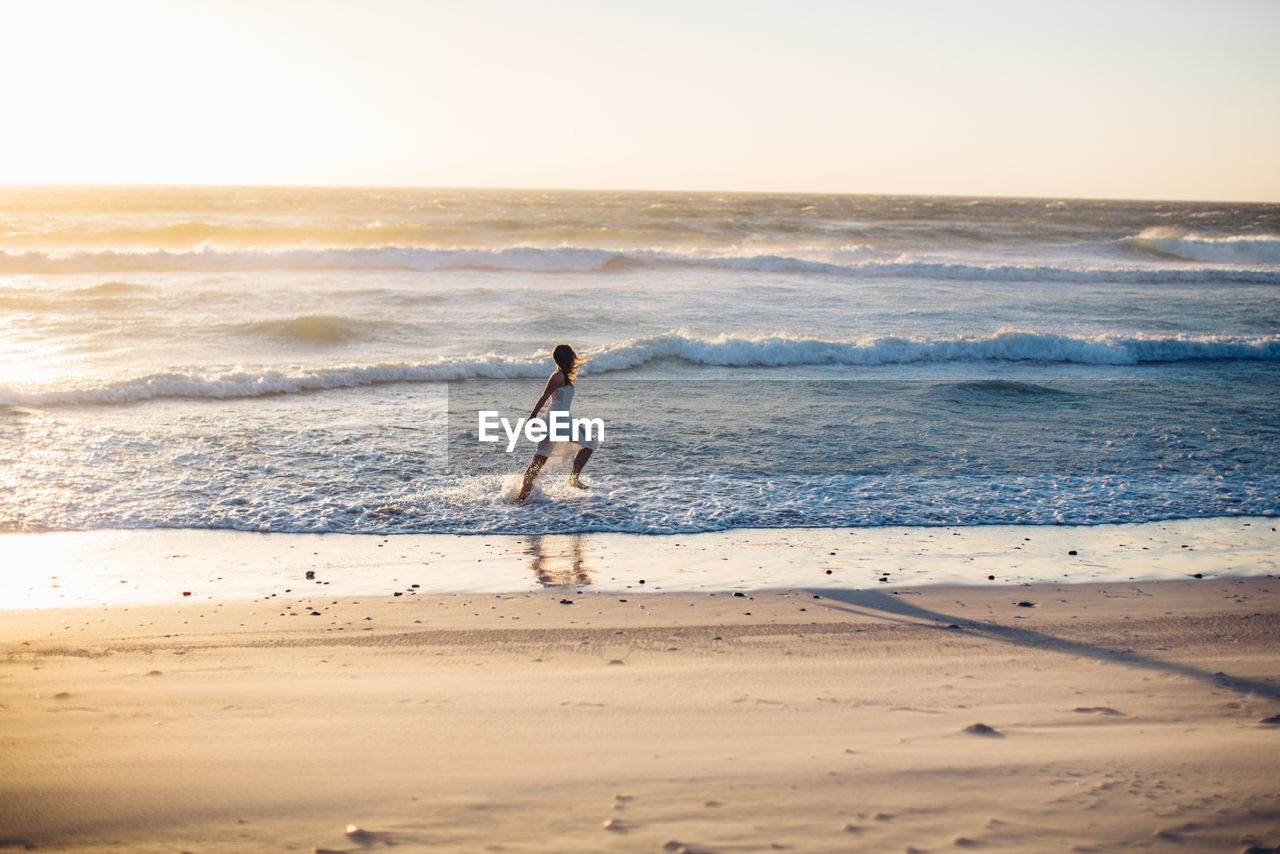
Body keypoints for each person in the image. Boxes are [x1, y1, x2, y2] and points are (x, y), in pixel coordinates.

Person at [515, 344, 599, 503]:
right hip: (555, 420)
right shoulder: (557, 376)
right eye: (572, 356)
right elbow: (545, 396)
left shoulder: (565, 377)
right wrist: (533, 415)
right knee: (540, 460)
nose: (575, 358)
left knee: (589, 443)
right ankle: (522, 495)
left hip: (564, 419)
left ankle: (572, 479)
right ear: (567, 358)